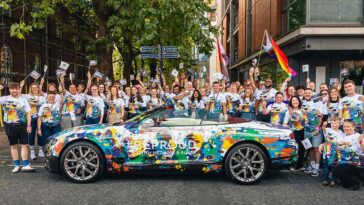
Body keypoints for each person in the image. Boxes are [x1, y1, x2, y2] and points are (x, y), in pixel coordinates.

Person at [0, 82, 34, 172]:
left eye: (16, 88)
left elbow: (28, 113)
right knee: (13, 146)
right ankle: (16, 165)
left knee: (24, 145)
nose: (14, 90)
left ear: (19, 89)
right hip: (9, 126)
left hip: (22, 125)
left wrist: (29, 125)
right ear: (9, 89)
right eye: (12, 88)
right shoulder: (4, 99)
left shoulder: (23, 100)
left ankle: (26, 165)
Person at [333, 120, 364, 191]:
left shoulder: (358, 136)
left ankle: (355, 182)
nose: (346, 128)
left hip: (356, 162)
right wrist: (322, 145)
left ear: (354, 127)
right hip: (343, 160)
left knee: (337, 170)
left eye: (348, 126)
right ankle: (352, 180)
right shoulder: (341, 135)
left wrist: (361, 142)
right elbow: (332, 143)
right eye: (344, 126)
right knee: (337, 170)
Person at [20, 82, 46, 160]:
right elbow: (19, 95)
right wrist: (21, 86)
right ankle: (32, 151)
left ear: (38, 89)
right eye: (33, 87)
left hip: (40, 118)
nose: (34, 89)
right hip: (30, 118)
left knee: (40, 134)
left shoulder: (42, 98)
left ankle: (41, 150)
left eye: (36, 87)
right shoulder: (26, 96)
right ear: (30, 88)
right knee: (30, 135)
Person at [302, 88, 323, 177]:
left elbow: (321, 117)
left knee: (316, 149)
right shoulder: (302, 103)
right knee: (309, 148)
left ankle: (317, 168)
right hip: (306, 130)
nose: (307, 94)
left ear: (312, 94)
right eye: (306, 93)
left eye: (309, 93)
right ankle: (312, 166)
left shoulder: (317, 103)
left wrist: (317, 128)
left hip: (315, 131)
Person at [319, 117, 344, 187]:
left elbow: (341, 142)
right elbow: (323, 128)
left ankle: (333, 180)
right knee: (325, 166)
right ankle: (325, 179)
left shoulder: (341, 133)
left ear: (339, 124)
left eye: (335, 123)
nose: (333, 124)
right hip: (326, 152)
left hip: (335, 153)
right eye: (332, 123)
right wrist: (324, 124)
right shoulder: (327, 130)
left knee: (334, 167)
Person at [283, 96, 305, 171]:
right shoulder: (288, 112)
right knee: (296, 147)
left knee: (303, 148)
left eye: (296, 100)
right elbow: (285, 123)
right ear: (291, 102)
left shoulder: (303, 110)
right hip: (293, 132)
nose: (295, 102)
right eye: (293, 101)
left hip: (303, 131)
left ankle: (300, 165)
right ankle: (293, 165)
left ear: (299, 101)